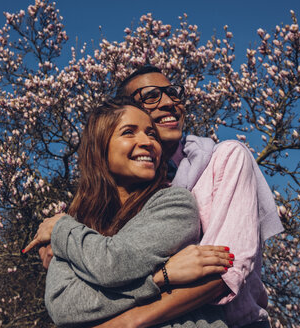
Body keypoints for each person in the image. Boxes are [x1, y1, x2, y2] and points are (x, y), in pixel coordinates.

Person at [94, 65, 283, 328]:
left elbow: (224, 272)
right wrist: (61, 235)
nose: (169, 103)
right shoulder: (124, 188)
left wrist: (126, 322)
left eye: (173, 93)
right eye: (151, 96)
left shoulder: (225, 159)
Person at [24, 97, 234, 327]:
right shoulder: (77, 225)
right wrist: (159, 278)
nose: (147, 142)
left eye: (151, 134)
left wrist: (60, 229)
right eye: (129, 132)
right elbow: (64, 306)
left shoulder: (175, 204)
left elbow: (115, 264)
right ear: (100, 148)